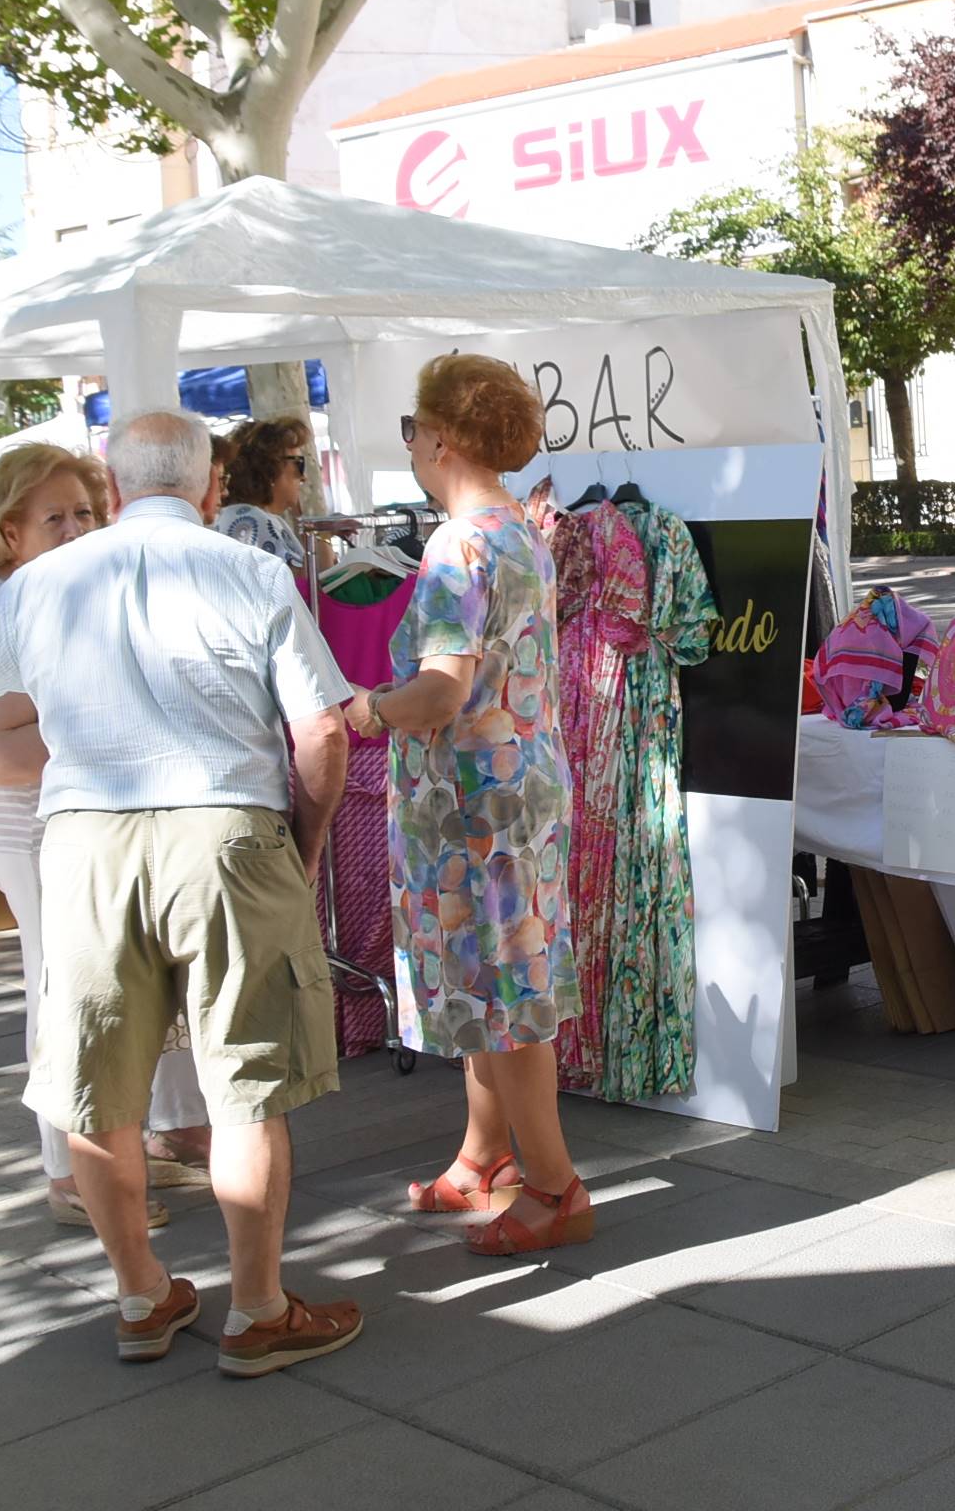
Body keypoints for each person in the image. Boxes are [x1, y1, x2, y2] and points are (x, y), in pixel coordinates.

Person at [0, 411, 363, 1375]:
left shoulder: (39, 582)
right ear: (212, 486)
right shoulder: (249, 569)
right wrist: (304, 840)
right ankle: (256, 1308)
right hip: (225, 827)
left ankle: (140, 1293)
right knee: (248, 1085)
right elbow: (324, 734)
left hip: (88, 837)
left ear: (116, 490)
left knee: (100, 1089)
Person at [0, 447, 214, 1228]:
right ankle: (67, 1171)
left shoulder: (85, 593)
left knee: (140, 973)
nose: (73, 528)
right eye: (51, 516)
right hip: (29, 818)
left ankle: (171, 1133)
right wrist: (109, 723)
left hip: (92, 807)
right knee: (66, 986)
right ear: (8, 531)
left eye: (84, 512)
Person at [350, 354, 592, 1255]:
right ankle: (484, 1157)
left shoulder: (458, 544)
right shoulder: (520, 528)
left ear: (441, 436)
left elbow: (441, 693)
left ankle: (555, 1185)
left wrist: (369, 708)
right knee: (498, 986)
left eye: (413, 430)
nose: (411, 446)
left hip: (474, 811)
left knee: (503, 994)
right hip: (517, 791)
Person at [210, 417, 313, 574]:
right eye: (299, 464)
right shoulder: (254, 521)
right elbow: (306, 588)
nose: (303, 477)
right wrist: (321, 534)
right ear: (270, 468)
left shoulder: (244, 515)